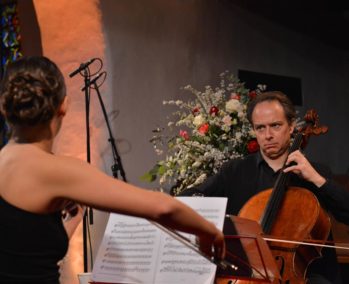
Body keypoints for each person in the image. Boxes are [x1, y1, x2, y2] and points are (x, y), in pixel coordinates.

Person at [0, 56, 225, 283]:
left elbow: (27, 256)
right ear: (64, 105)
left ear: (3, 105)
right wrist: (209, 232)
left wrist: (73, 221)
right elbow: (162, 208)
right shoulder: (56, 170)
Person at [180, 91, 349, 283]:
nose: (268, 135)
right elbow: (186, 198)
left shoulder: (317, 172)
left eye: (275, 126)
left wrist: (316, 179)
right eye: (260, 128)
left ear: (291, 127)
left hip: (306, 278)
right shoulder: (235, 171)